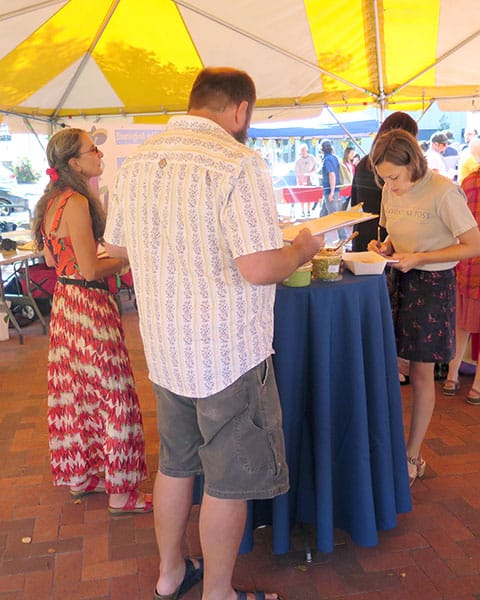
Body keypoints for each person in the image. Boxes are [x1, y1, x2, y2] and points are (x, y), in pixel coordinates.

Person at [104, 67, 324, 600]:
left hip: (165, 347)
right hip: (228, 353)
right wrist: (300, 248)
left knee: (176, 466)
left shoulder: (136, 163)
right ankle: (219, 593)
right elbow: (258, 267)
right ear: (240, 111)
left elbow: (118, 250)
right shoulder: (237, 162)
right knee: (229, 480)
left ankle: (169, 573)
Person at [32, 128, 151, 515]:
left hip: (66, 308)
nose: (98, 153)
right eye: (91, 149)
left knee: (80, 396)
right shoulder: (78, 201)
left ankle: (84, 477)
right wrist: (131, 256)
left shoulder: (52, 203)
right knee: (113, 395)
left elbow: (55, 262)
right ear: (74, 163)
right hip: (89, 308)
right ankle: (120, 492)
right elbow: (88, 268)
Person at [367, 129, 480, 486]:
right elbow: (392, 235)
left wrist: (422, 258)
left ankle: (412, 455)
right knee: (392, 369)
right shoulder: (389, 189)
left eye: (394, 177)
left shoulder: (444, 191)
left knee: (420, 374)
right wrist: (384, 246)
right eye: (383, 178)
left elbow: (473, 245)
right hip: (397, 279)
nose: (390, 185)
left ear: (413, 163)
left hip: (433, 286)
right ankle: (390, 449)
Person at [350, 111, 419, 253]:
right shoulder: (400, 166)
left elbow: (355, 202)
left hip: (364, 232)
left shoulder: (364, 162)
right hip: (388, 237)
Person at [442, 166, 480, 403]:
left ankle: (451, 377)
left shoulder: (468, 181)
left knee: (461, 327)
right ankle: (477, 388)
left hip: (465, 266)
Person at [320, 138, 347, 240]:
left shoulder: (327, 159)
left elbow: (332, 175)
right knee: (323, 215)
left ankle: (343, 238)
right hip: (331, 190)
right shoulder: (334, 158)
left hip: (330, 191)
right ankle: (319, 237)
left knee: (335, 216)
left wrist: (331, 192)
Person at [294, 143, 317, 217]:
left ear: (307, 150)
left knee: (309, 195)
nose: (303, 151)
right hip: (301, 180)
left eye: (304, 150)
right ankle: (302, 211)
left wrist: (311, 173)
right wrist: (300, 178)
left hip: (309, 179)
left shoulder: (312, 158)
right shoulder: (298, 160)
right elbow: (296, 171)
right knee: (302, 196)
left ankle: (308, 210)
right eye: (302, 150)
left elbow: (316, 167)